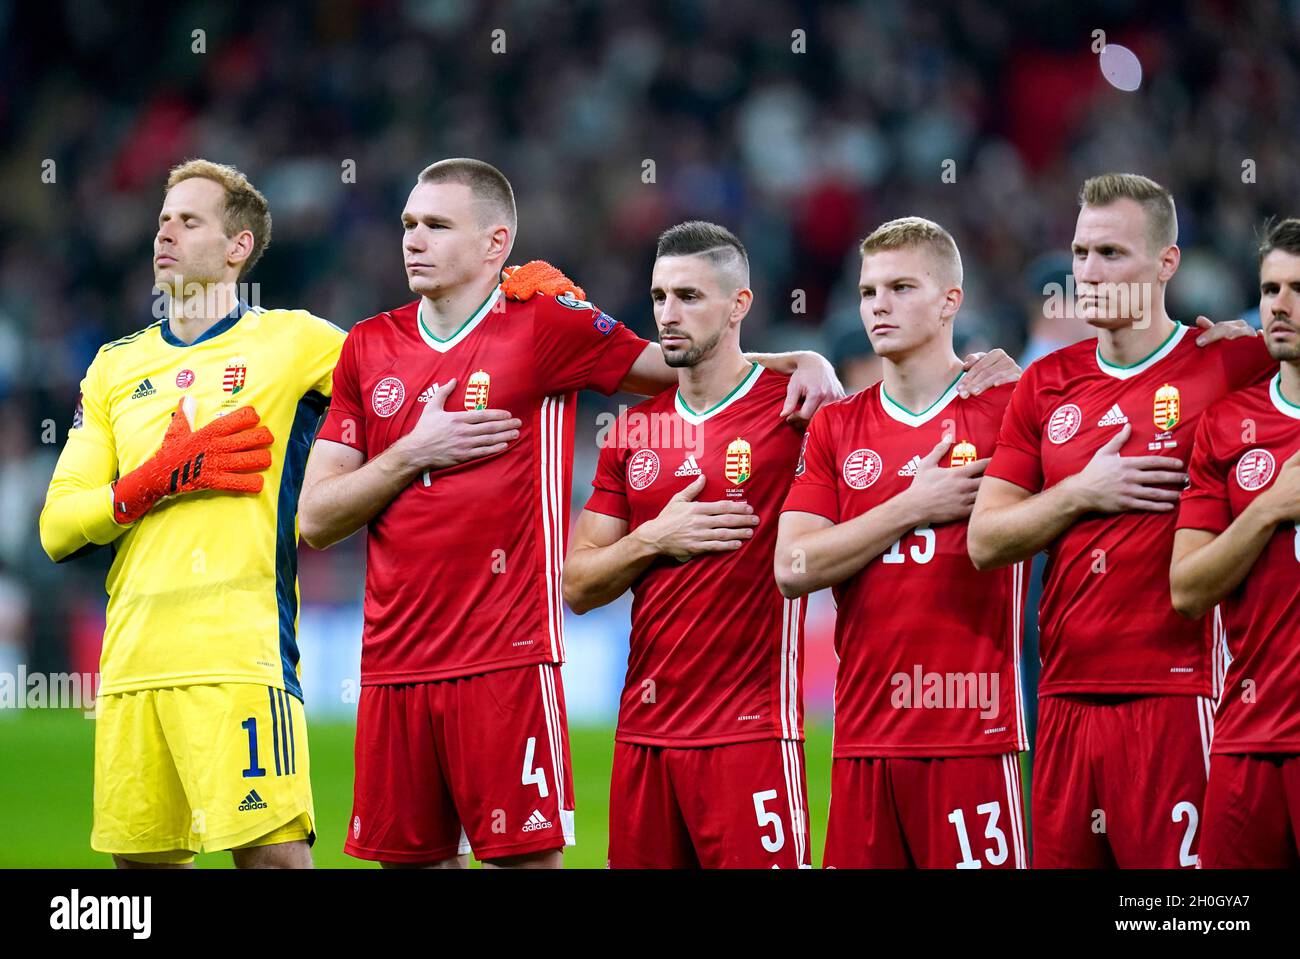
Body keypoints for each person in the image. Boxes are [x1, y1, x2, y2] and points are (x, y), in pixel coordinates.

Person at [296, 159, 855, 869]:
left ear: (495, 243)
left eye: (437, 225)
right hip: (390, 666)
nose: (413, 239)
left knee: (523, 861)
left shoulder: (545, 323)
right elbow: (315, 518)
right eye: (409, 223)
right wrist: (413, 452)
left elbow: (679, 363)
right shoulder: (367, 347)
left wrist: (795, 358)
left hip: (506, 661)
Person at [39, 159, 344, 868]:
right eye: (161, 220)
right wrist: (146, 483)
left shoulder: (295, 341)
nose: (164, 232)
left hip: (240, 657)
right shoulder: (114, 366)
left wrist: (505, 310)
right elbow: (59, 526)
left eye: (188, 219)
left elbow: (410, 368)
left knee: (274, 862)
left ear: (238, 247)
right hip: (133, 664)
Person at [967, 173, 1269, 868]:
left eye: (1112, 254)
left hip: (1179, 690)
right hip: (1064, 698)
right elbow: (987, 540)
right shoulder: (1045, 383)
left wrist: (1253, 324)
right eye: (1081, 252)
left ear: (1168, 263)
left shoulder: (1225, 361)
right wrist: (1080, 491)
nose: (1087, 273)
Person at [563, 221, 817, 868]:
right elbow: (577, 585)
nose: (667, 315)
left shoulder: (798, 414)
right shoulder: (631, 431)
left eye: (689, 297)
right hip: (644, 736)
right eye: (658, 297)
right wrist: (652, 538)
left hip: (751, 733)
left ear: (740, 305)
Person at [776, 217, 1028, 868]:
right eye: (868, 291)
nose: (878, 305)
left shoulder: (1008, 404)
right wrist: (911, 506)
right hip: (863, 740)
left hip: (971, 735)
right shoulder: (836, 426)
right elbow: (793, 565)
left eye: (901, 287)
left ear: (951, 300)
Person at [1171, 217, 1300, 868]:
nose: (1279, 304)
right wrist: (1270, 509)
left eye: (1297, 288)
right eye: (1270, 288)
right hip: (1248, 738)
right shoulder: (1228, 423)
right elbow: (1187, 587)